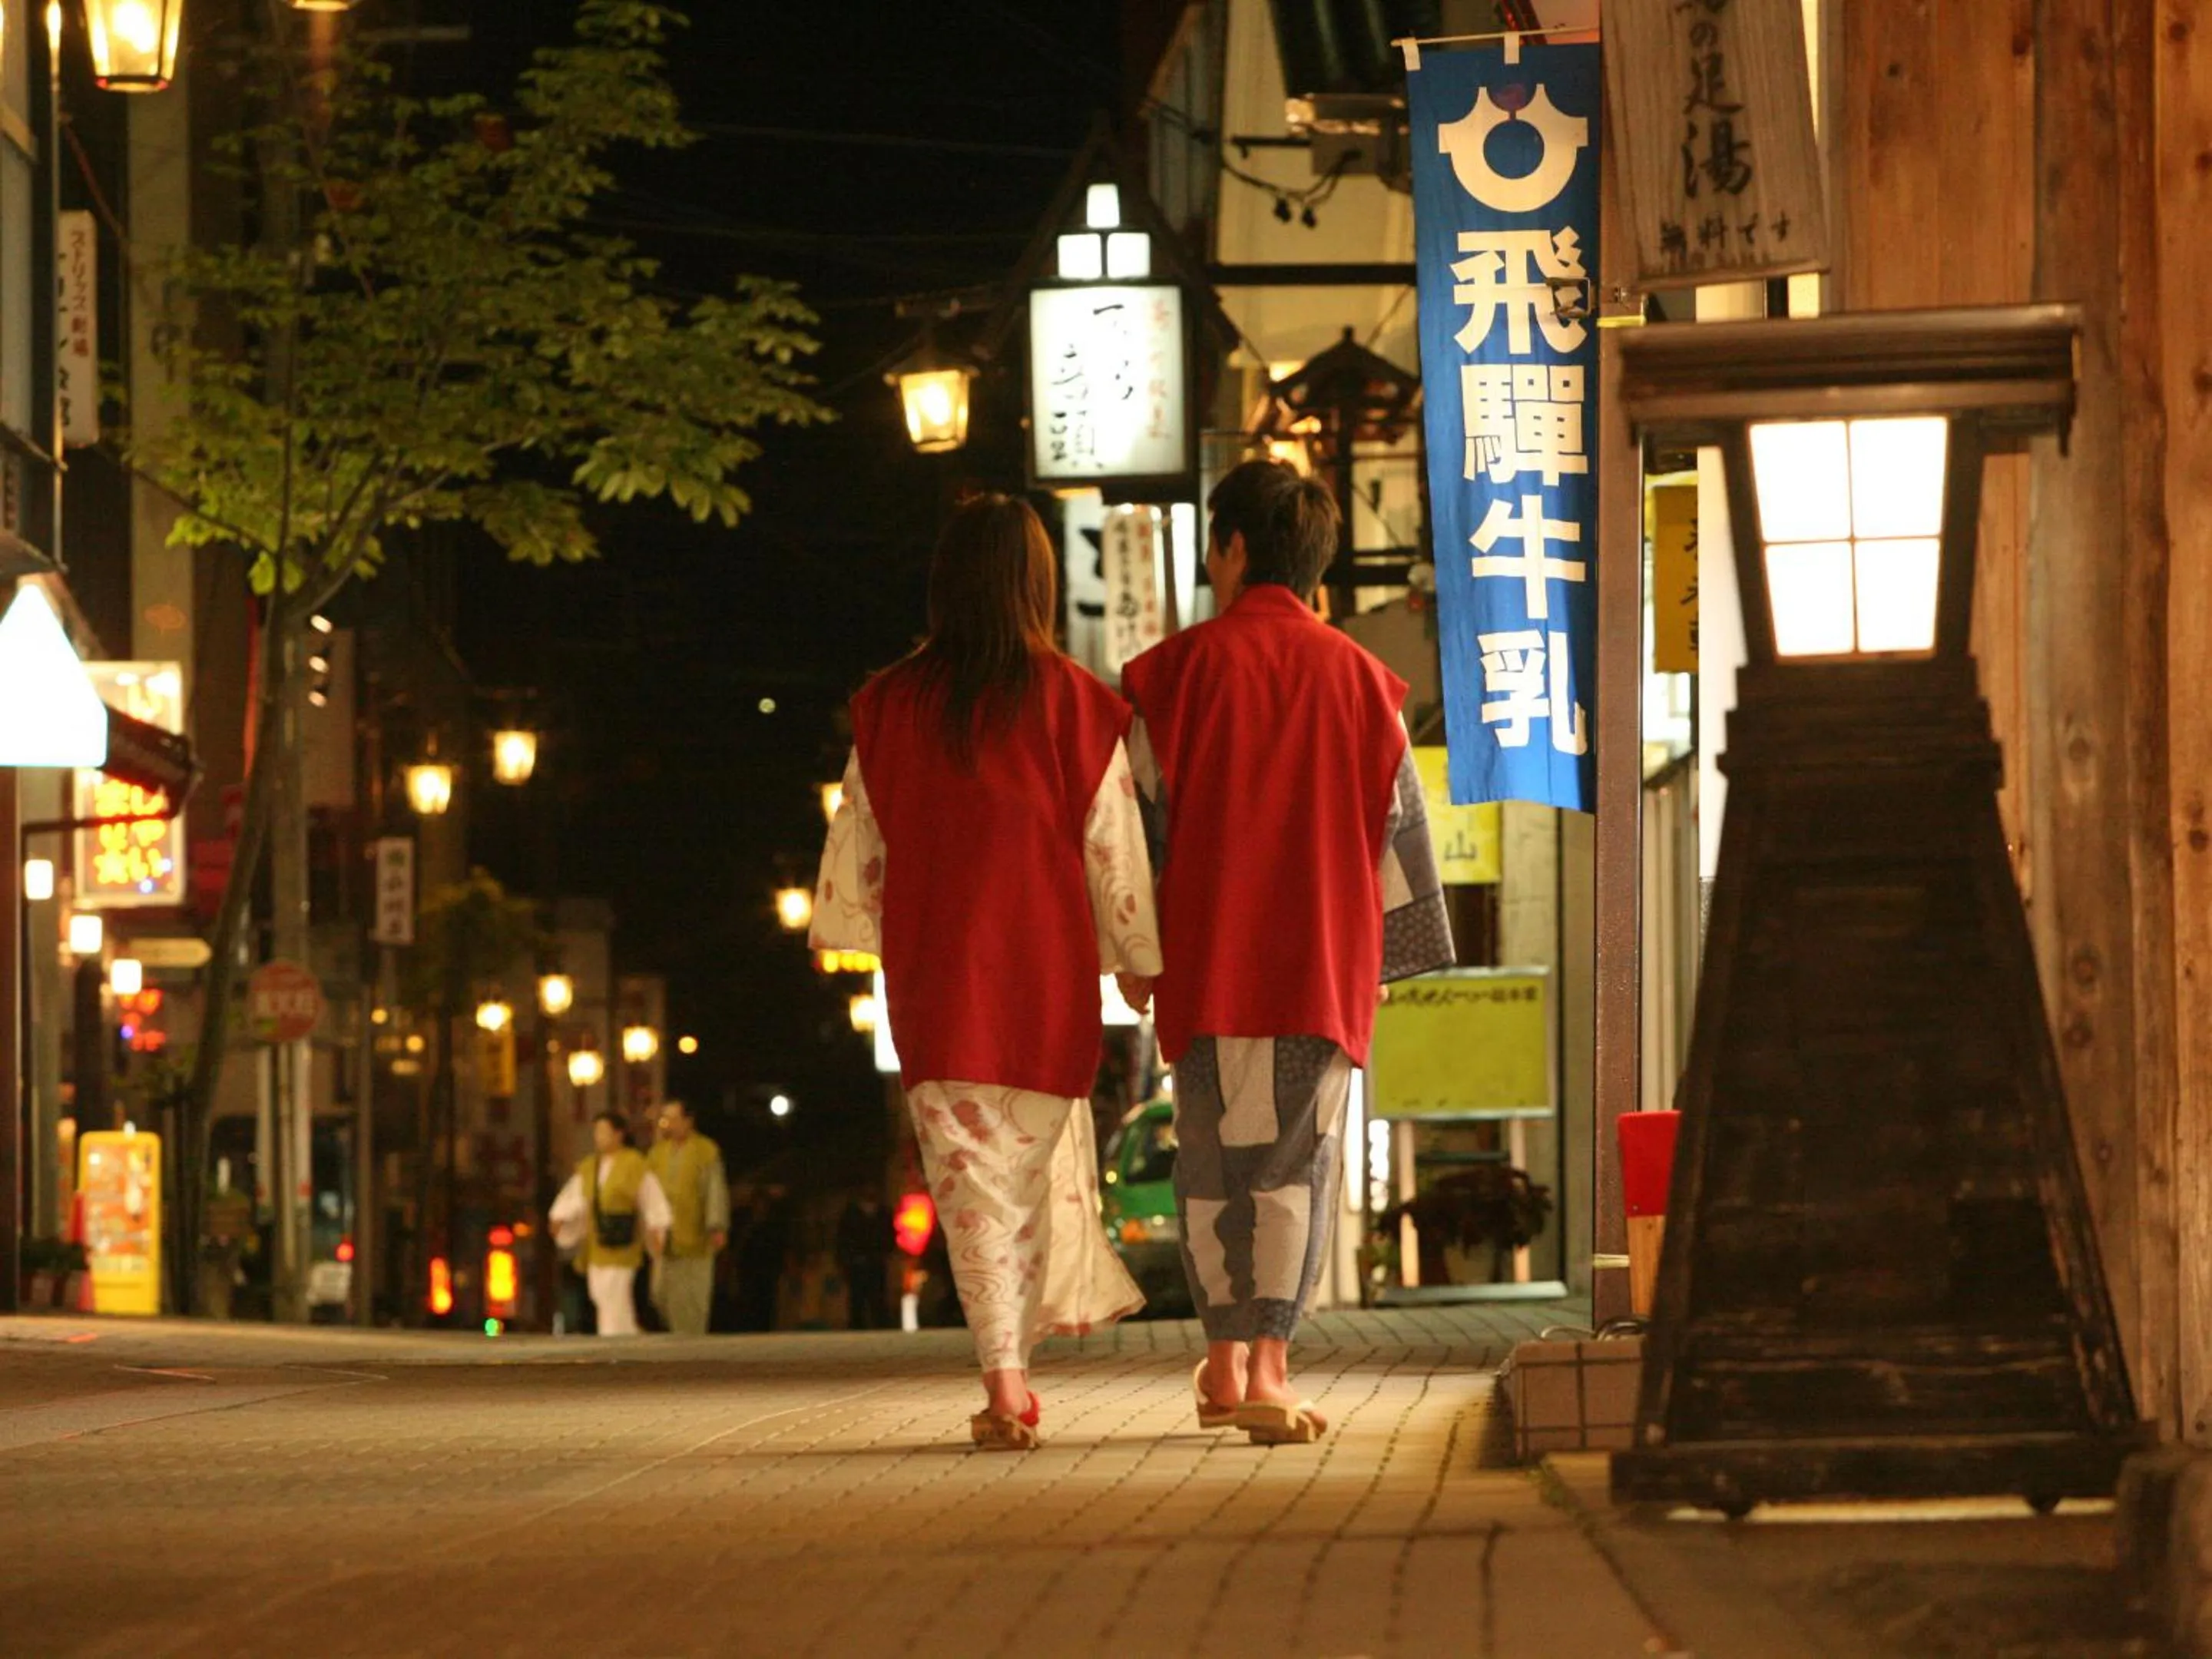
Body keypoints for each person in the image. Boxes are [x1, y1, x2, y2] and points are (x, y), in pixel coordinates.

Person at [813, 492, 1160, 1451]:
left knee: (973, 1197)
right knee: (1030, 1179)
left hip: (939, 986)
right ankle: (1013, 1377)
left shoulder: (888, 707)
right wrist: (1138, 960)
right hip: (1045, 987)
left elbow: (861, 849)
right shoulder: (1081, 708)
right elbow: (1112, 848)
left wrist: (859, 927)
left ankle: (1005, 1380)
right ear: (1039, 584)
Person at [1120, 459, 1454, 1445]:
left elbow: (1136, 824)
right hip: (1319, 962)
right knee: (1293, 1170)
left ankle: (1224, 1366)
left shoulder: (1172, 676)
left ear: (1229, 549)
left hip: (1206, 960)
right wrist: (1388, 960)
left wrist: (1136, 950)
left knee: (1212, 1167)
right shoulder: (1364, 685)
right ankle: (1270, 1367)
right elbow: (1399, 834)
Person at [548, 1111, 671, 1336]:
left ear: (619, 1135)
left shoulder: (634, 1164)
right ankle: (622, 1340)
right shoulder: (590, 1167)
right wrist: (560, 1218)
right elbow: (576, 1197)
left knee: (616, 1296)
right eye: (597, 1132)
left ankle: (616, 1341)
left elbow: (651, 1198)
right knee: (601, 1295)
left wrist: (656, 1228)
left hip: (623, 1241)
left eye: (604, 1132)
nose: (599, 1137)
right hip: (597, 1243)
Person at [647, 1099, 730, 1336]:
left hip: (696, 1235)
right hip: (665, 1237)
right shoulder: (657, 1153)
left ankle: (691, 1340)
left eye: (673, 1119)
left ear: (688, 1121)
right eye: (665, 1119)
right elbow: (649, 1194)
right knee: (660, 1292)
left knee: (693, 1296)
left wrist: (716, 1226)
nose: (668, 1125)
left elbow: (715, 1190)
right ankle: (680, 1332)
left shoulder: (705, 1150)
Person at [836, 1191, 894, 1330]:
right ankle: (859, 1329)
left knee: (877, 1301)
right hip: (858, 1264)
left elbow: (889, 1236)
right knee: (858, 1301)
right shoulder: (851, 1214)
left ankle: (879, 1328)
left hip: (875, 1263)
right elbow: (843, 1239)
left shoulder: (883, 1213)